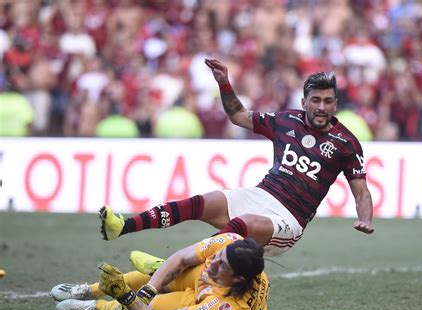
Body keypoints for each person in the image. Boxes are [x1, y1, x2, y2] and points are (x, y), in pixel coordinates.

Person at [100, 58, 374, 257]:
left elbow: (361, 192)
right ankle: (122, 227)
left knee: (240, 226)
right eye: (316, 100)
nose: (321, 107)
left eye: (328, 101)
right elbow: (238, 116)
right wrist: (224, 84)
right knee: (199, 203)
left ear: (335, 104)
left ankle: (175, 265)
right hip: (260, 195)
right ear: (304, 102)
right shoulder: (286, 120)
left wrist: (365, 219)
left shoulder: (346, 142)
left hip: (288, 219)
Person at [51, 233, 269, 310]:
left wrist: (127, 297)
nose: (214, 264)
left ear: (237, 279)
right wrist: (148, 290)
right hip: (206, 283)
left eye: (222, 266)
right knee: (153, 279)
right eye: (218, 257)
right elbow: (181, 258)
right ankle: (90, 290)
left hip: (204, 299)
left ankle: (98, 307)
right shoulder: (230, 241)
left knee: (148, 309)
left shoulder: (230, 307)